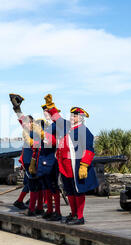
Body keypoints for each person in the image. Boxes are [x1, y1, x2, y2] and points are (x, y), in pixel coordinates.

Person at [42, 94, 98, 225]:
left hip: (76, 166)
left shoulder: (84, 130)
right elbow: (58, 119)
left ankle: (79, 216)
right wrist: (51, 107)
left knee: (78, 191)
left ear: (81, 118)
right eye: (72, 115)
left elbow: (89, 150)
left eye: (75, 115)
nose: (73, 117)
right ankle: (73, 213)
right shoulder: (67, 127)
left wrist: (84, 165)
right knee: (69, 191)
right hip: (66, 166)